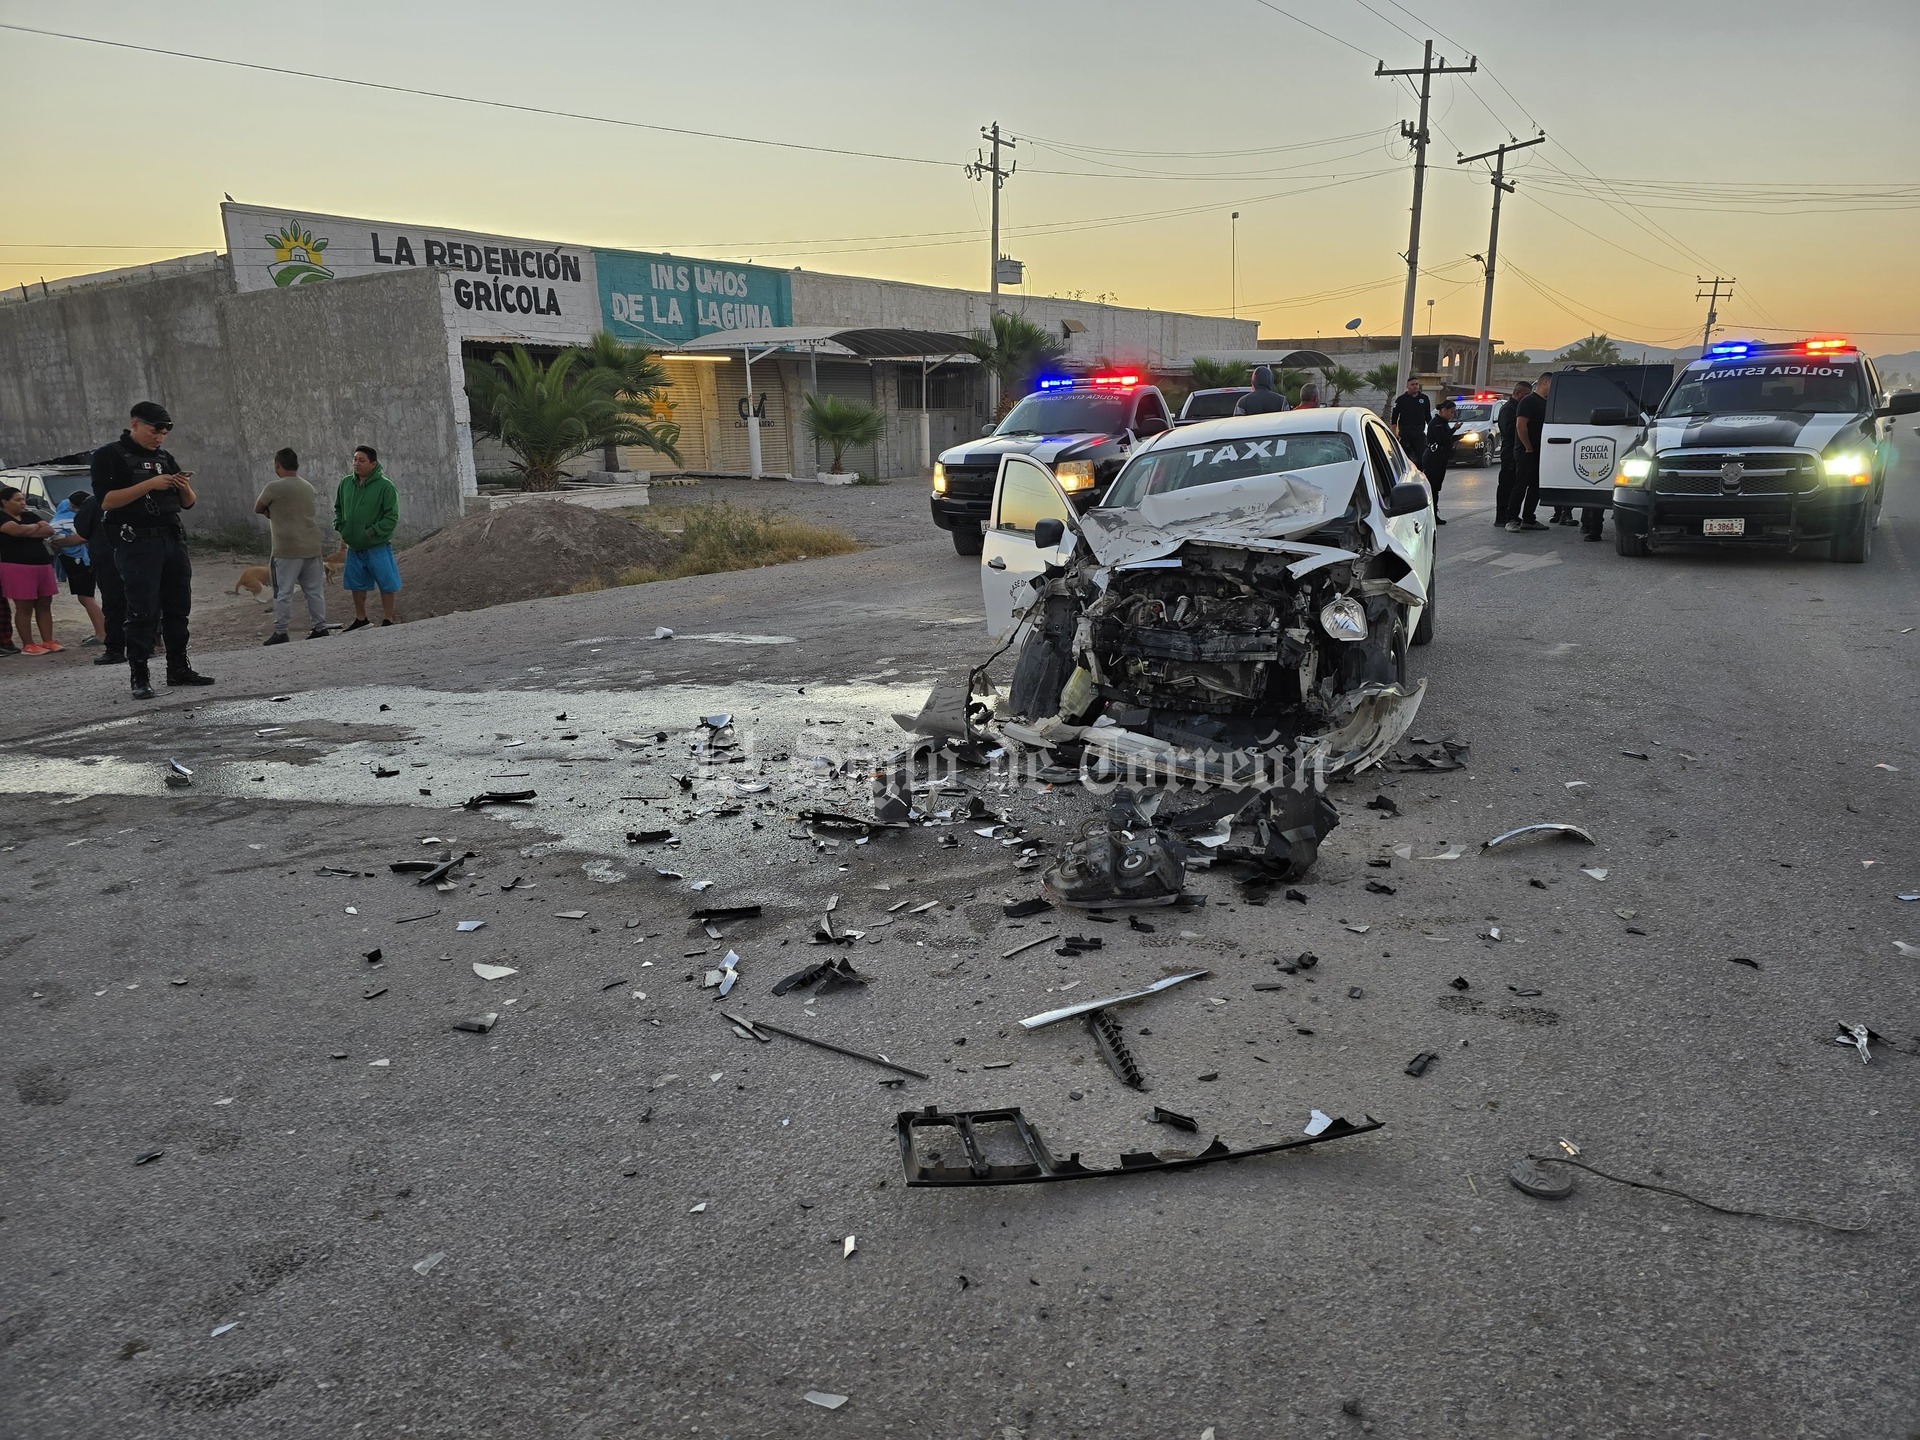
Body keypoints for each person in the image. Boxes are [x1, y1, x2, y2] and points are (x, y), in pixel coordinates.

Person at [92, 400, 214, 699]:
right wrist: (150, 484)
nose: (159, 438)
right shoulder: (109, 456)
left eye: (163, 434)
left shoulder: (163, 457)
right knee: (142, 611)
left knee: (178, 608)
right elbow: (106, 501)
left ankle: (178, 669)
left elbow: (188, 502)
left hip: (171, 539)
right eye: (154, 432)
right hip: (137, 542)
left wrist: (182, 485)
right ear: (135, 425)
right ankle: (140, 675)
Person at [254, 447, 329, 644]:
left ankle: (281, 631)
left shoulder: (273, 488)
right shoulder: (308, 487)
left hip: (286, 549)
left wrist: (272, 512)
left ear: (277, 465)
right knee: (314, 590)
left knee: (283, 591)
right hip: (312, 546)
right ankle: (320, 627)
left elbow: (258, 507)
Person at [334, 445, 401, 629]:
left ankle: (388, 619)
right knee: (356, 584)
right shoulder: (346, 483)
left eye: (362, 460)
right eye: (355, 459)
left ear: (373, 463)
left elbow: (392, 516)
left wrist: (372, 531)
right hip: (354, 547)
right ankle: (361, 619)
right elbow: (338, 508)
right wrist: (340, 526)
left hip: (377, 546)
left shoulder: (385, 486)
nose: (356, 463)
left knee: (386, 582)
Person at [0, 484, 62, 654]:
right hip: (17, 566)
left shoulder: (29, 515)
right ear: (5, 502)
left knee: (44, 604)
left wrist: (27, 530)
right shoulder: (2, 517)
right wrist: (35, 528)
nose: (23, 503)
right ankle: (28, 644)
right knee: (24, 606)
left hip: (41, 564)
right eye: (18, 500)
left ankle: (48, 640)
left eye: (23, 499)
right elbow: (16, 530)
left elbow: (48, 529)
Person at [49, 491, 108, 647]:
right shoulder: (95, 513)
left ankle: (102, 634)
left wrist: (60, 543)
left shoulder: (83, 518)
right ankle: (103, 631)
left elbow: (82, 537)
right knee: (87, 597)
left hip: (81, 561)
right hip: (83, 561)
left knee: (86, 598)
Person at [1507, 374, 1552, 533]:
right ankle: (1512, 519)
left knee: (1535, 487)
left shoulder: (1546, 403)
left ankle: (1528, 519)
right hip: (1526, 451)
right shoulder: (1528, 401)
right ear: (1545, 382)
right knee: (1521, 485)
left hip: (1540, 451)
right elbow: (1521, 426)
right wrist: (1528, 447)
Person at [1494, 380, 1530, 529]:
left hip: (1515, 453)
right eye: (1526, 395)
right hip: (1509, 453)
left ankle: (1510, 514)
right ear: (1518, 393)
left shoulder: (1518, 408)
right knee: (1506, 485)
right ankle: (1501, 516)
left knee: (1515, 485)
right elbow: (1508, 431)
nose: (1527, 398)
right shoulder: (1508, 409)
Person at [1422, 398, 1458, 524]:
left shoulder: (1443, 422)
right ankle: (1431, 515)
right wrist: (1454, 429)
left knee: (1436, 488)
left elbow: (1447, 438)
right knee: (1432, 488)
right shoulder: (1437, 423)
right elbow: (1442, 438)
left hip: (1440, 458)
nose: (1452, 415)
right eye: (1451, 412)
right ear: (1444, 410)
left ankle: (1433, 514)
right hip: (1434, 459)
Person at [1390, 377, 1432, 465]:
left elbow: (1428, 416)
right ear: (1407, 386)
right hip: (1405, 432)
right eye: (1412, 384)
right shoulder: (1401, 399)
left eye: (1416, 384)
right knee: (1404, 456)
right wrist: (1394, 432)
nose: (1415, 386)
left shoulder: (1424, 398)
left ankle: (1421, 471)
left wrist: (1432, 429)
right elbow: (1394, 417)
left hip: (1419, 432)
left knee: (1422, 456)